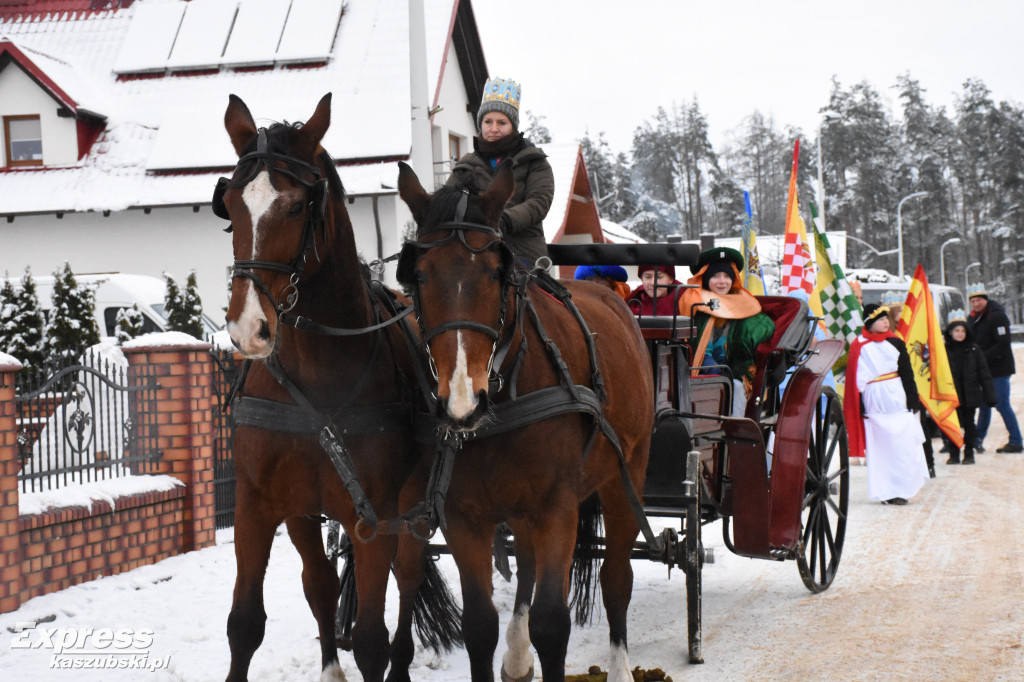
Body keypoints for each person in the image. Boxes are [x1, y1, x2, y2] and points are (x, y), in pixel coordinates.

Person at [446, 77, 554, 269]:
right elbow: (447, 203)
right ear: (481, 124)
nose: (493, 129)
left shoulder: (534, 161)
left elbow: (539, 202)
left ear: (513, 125)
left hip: (523, 251)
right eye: (488, 121)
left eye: (502, 123)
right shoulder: (466, 165)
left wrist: (504, 220)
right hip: (474, 250)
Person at [843, 303, 930, 505]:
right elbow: (854, 379)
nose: (885, 322)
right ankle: (887, 491)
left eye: (886, 319)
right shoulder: (859, 345)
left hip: (896, 396)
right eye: (880, 319)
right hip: (874, 399)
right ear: (869, 323)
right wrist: (860, 406)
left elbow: (906, 372)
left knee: (903, 443)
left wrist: (913, 399)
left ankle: (904, 488)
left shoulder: (895, 342)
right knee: (880, 447)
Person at [677, 247, 775, 416]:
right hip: (702, 369)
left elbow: (762, 328)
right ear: (706, 278)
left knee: (736, 387)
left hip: (735, 371)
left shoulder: (743, 303)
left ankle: (735, 429)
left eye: (727, 276)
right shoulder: (696, 304)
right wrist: (711, 367)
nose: (721, 281)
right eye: (715, 276)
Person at [966, 283, 1022, 453]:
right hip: (982, 369)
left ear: (985, 299)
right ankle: (977, 439)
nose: (976, 304)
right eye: (973, 301)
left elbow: (1003, 343)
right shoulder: (973, 318)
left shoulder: (997, 316)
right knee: (984, 404)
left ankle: (1016, 441)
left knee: (1001, 404)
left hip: (999, 368)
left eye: (978, 300)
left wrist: (981, 358)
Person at [944, 309, 997, 465]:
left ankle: (969, 453)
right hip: (952, 394)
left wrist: (990, 395)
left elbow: (984, 373)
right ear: (950, 332)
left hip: (970, 393)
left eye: (963, 331)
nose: (960, 334)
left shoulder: (973, 349)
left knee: (969, 424)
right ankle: (954, 453)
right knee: (952, 425)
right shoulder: (944, 351)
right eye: (957, 330)